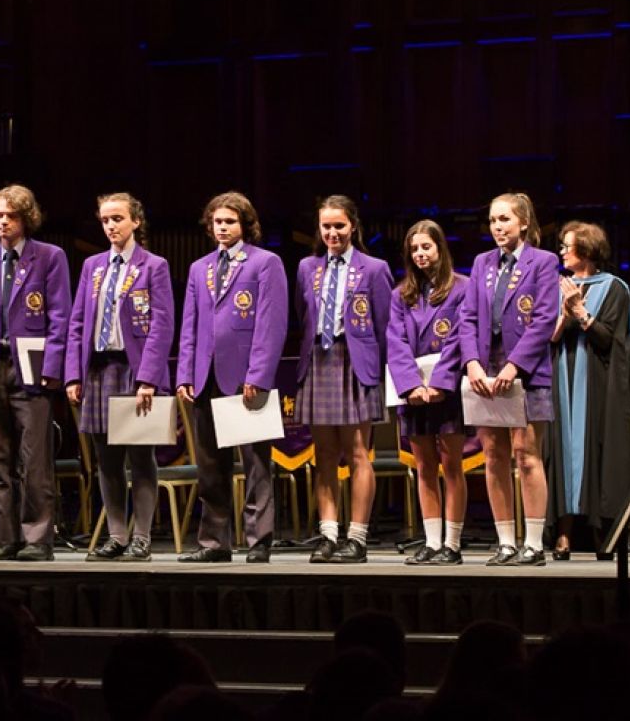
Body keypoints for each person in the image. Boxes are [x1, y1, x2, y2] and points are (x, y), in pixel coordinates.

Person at [432, 193, 559, 566]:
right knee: (494, 454)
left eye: (504, 219)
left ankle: (533, 544)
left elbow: (545, 319)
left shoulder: (543, 262)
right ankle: (506, 542)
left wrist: (514, 366)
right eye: (492, 220)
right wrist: (471, 363)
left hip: (526, 369)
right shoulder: (482, 263)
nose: (497, 227)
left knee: (526, 453)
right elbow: (467, 318)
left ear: (523, 222)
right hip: (486, 368)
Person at [176, 192, 288, 564]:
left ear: (245, 225)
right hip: (205, 378)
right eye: (217, 222)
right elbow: (189, 325)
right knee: (210, 467)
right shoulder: (199, 268)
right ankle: (214, 543)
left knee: (256, 466)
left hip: (245, 380)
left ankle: (259, 541)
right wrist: (184, 375)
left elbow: (271, 326)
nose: (222, 228)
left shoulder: (265, 263)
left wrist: (258, 374)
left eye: (230, 222)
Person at [65, 193, 175, 563]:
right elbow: (77, 321)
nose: (111, 226)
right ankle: (115, 534)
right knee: (106, 460)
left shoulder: (153, 265)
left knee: (140, 457)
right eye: (105, 220)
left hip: (134, 370)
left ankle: (141, 536)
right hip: (98, 369)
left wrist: (148, 379)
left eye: (117, 218)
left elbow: (161, 326)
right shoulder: (93, 266)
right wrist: (72, 374)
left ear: (135, 222)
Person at [0, 185, 71, 562]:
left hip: (33, 368)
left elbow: (60, 316)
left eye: (10, 216)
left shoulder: (49, 257)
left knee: (34, 459)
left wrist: (54, 368)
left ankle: (37, 538)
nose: (3, 222)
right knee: (0, 459)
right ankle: (6, 537)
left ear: (26, 218)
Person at [293, 194, 393, 564]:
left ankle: (358, 537)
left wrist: (378, 373)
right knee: (324, 455)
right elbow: (302, 315)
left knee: (357, 453)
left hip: (355, 361)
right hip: (319, 360)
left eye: (339, 226)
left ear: (353, 226)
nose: (332, 233)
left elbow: (384, 326)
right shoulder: (307, 267)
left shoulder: (374, 268)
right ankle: (329, 535)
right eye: (326, 226)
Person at [546, 221, 630, 559]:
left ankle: (602, 531)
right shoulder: (554, 286)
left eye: (568, 246)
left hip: (597, 383)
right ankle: (564, 533)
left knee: (593, 450)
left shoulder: (614, 288)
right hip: (561, 379)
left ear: (586, 249)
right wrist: (564, 315)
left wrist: (581, 312)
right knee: (563, 452)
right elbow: (547, 338)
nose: (562, 252)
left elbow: (610, 339)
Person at [386, 219, 469, 565]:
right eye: (414, 249)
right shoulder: (401, 295)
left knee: (451, 464)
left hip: (446, 390)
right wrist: (411, 387)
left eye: (426, 247)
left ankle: (452, 543)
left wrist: (439, 385)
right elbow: (395, 341)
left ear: (440, 249)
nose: (420, 254)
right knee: (423, 466)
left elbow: (461, 338)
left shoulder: (462, 288)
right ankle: (432, 541)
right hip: (414, 392)